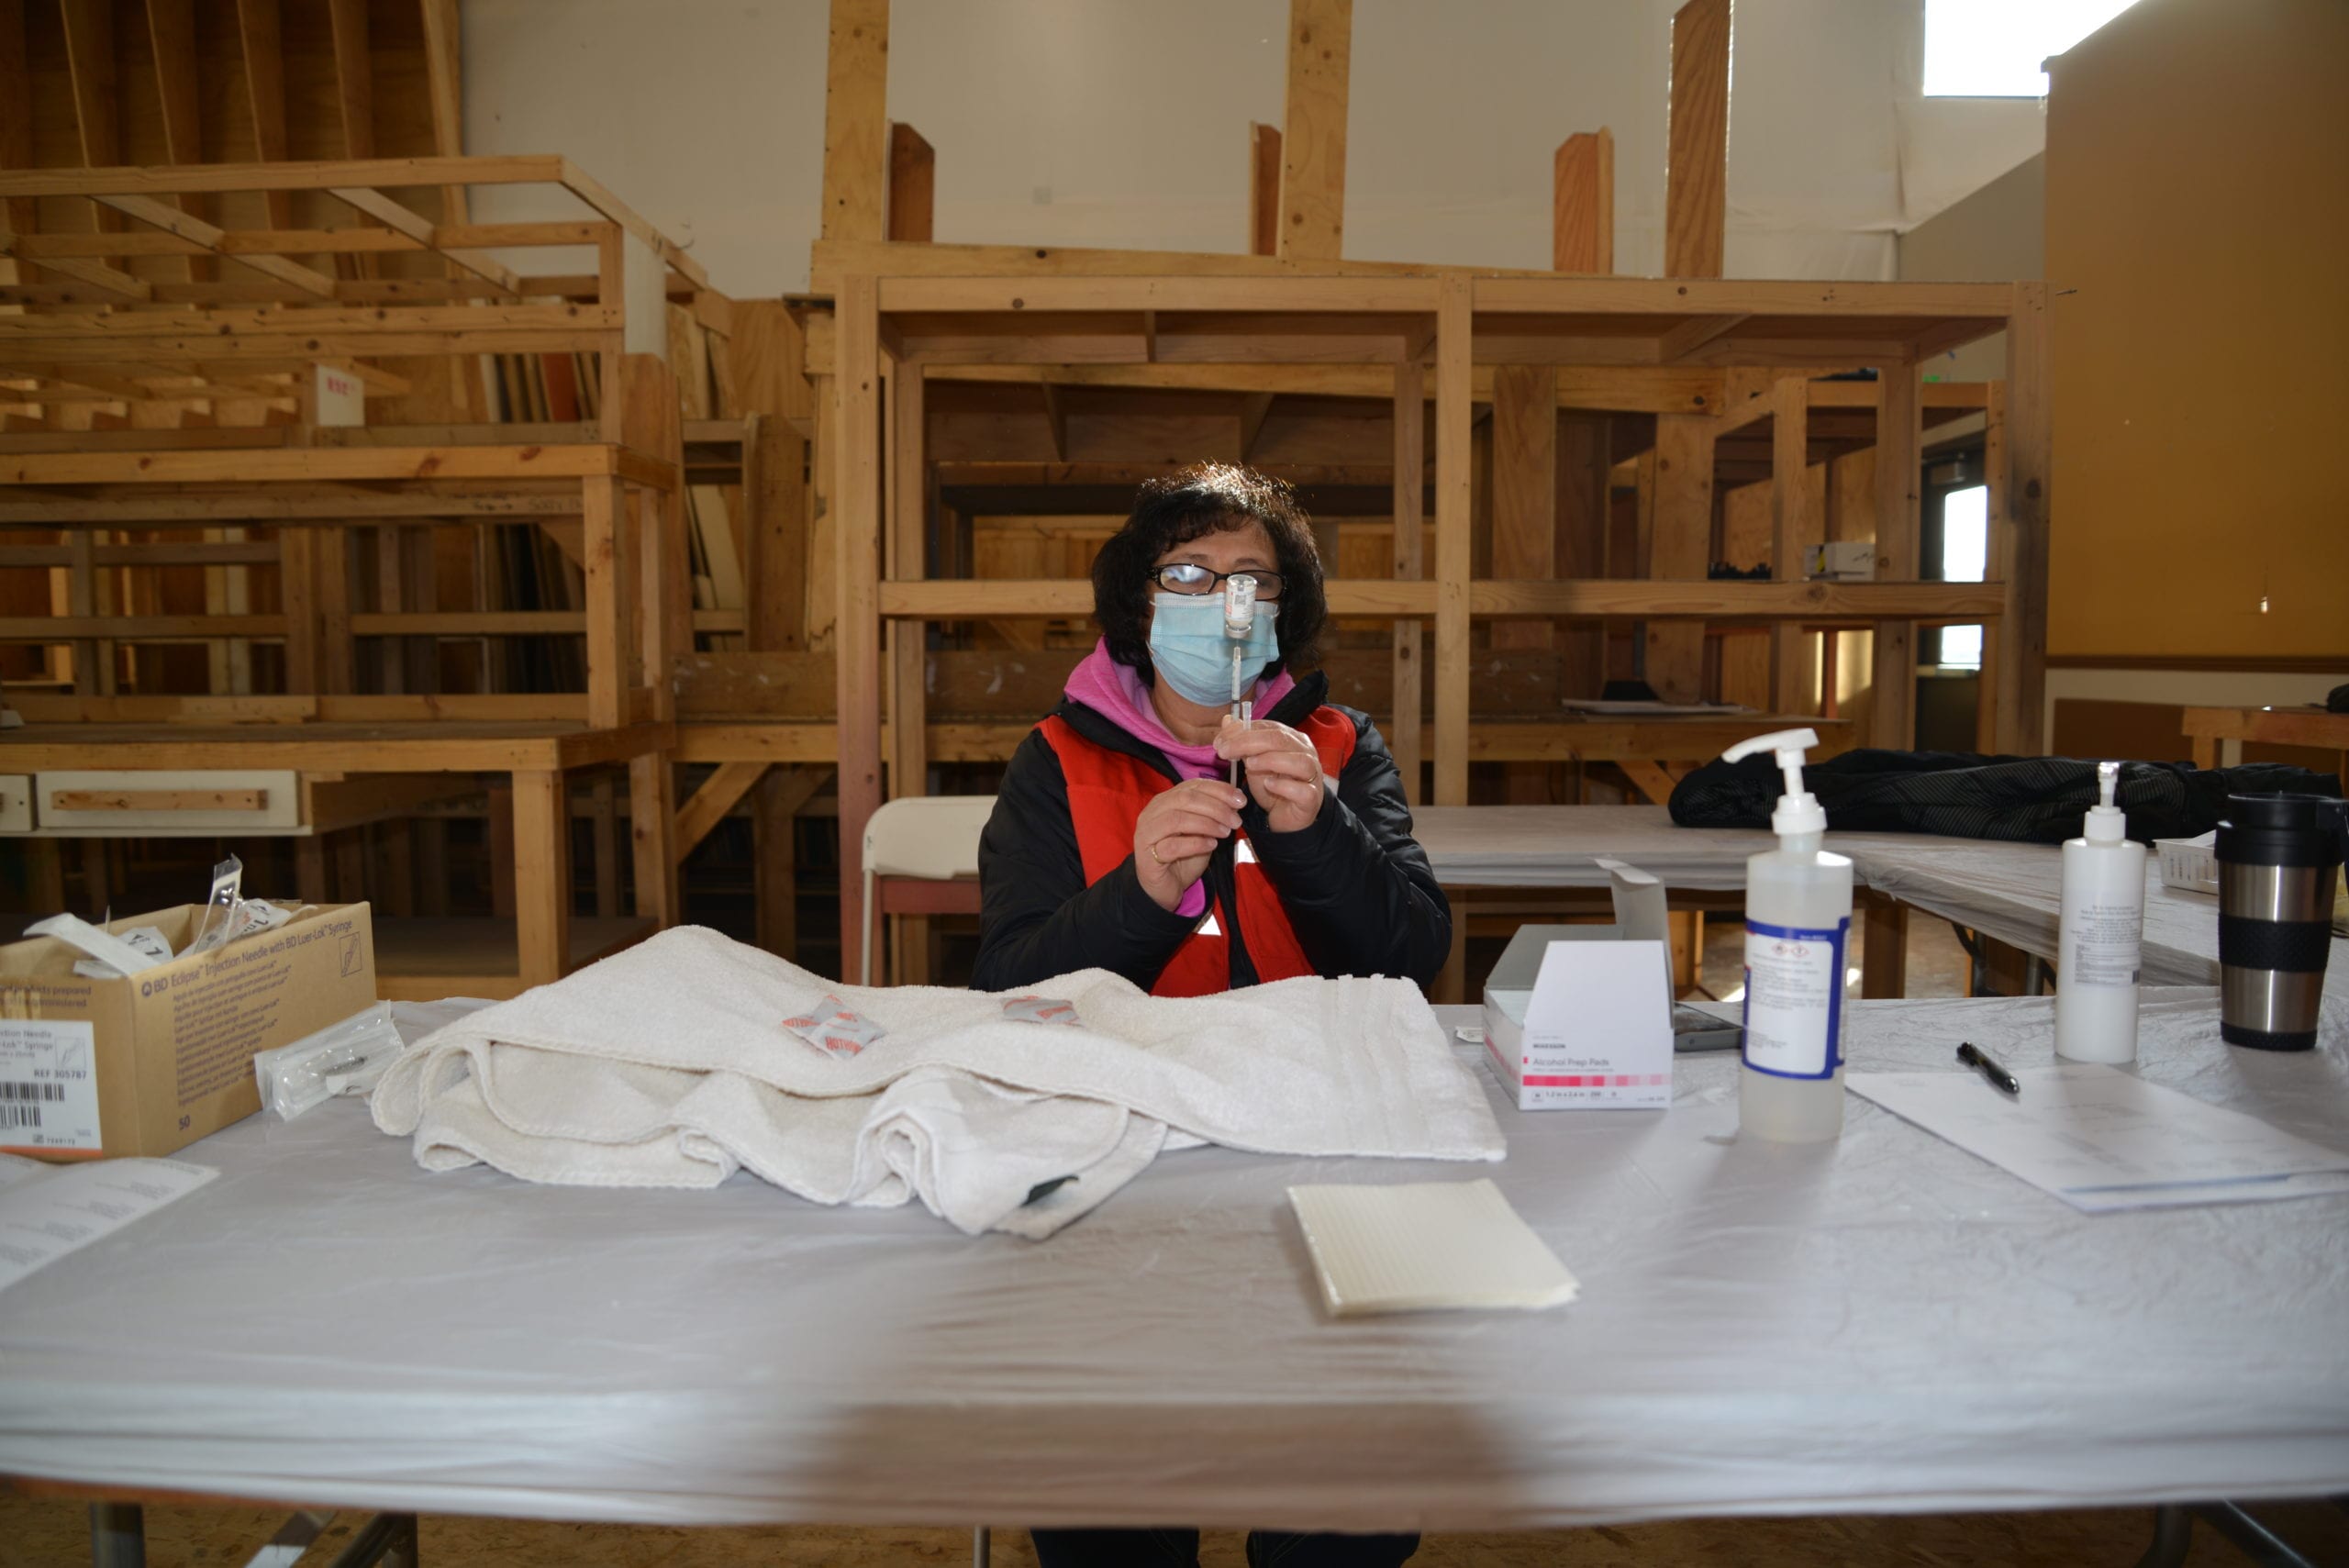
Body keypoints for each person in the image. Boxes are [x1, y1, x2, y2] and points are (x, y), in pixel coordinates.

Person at [974, 462, 1442, 1568]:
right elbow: (1008, 986)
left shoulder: (1335, 745)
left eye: (1251, 575)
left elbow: (1412, 955)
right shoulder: (1056, 760)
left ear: (1282, 609)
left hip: (1317, 1140)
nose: (1222, 596)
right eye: (1187, 570)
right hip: (1118, 1150)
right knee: (1112, 1485)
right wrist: (1134, 892)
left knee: (1343, 1493)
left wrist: (1316, 828)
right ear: (1140, 601)